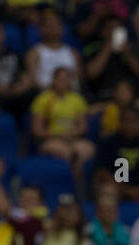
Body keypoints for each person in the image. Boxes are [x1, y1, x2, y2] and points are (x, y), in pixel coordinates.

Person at [30, 67, 95, 195]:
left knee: (88, 149)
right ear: (53, 80)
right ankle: (69, 187)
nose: (63, 82)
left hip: (73, 138)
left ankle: (80, 189)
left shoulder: (77, 99)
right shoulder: (43, 99)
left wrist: (71, 134)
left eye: (66, 79)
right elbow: (37, 130)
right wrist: (58, 134)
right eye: (60, 79)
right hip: (52, 139)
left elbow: (83, 127)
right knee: (68, 153)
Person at [95, 108, 139, 201]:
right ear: (119, 123)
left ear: (138, 123)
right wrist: (126, 190)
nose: (129, 125)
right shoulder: (108, 143)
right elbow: (102, 172)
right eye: (126, 121)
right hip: (117, 187)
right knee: (107, 190)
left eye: (133, 121)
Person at [25, 7, 81, 91]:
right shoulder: (34, 53)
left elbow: (78, 80)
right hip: (46, 96)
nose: (53, 28)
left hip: (70, 95)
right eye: (49, 25)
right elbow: (33, 82)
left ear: (62, 28)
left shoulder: (73, 53)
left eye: (56, 24)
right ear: (40, 29)